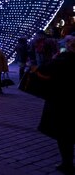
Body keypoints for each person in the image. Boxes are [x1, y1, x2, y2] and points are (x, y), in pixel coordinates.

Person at [36, 38, 75, 174]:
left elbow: (43, 70)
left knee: (64, 135)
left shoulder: (62, 59)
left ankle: (67, 162)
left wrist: (54, 58)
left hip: (62, 102)